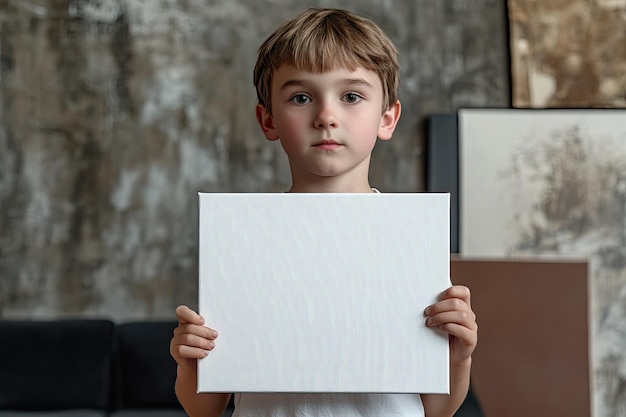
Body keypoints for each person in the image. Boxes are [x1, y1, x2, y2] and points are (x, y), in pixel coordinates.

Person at [170, 7, 478, 417]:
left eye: (351, 96)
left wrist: (458, 357)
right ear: (268, 119)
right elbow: (203, 409)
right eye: (301, 97)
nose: (326, 117)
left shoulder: (408, 241)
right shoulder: (244, 242)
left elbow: (437, 410)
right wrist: (190, 360)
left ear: (387, 118)